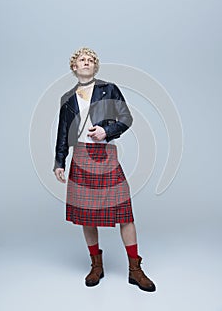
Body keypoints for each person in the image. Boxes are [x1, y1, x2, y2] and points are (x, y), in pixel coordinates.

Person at [53, 47, 156, 292]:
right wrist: (59, 162)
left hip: (106, 154)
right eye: (82, 60)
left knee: (124, 211)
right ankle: (96, 265)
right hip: (79, 155)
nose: (86, 63)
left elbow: (126, 118)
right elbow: (62, 131)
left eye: (90, 60)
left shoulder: (108, 89)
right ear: (74, 67)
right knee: (86, 213)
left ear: (95, 67)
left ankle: (135, 268)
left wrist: (106, 132)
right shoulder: (67, 98)